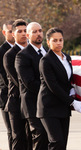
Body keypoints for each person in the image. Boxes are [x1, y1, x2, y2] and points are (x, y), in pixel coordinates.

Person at [37, 27, 81, 150]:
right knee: (56, 142)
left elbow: (67, 80)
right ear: (48, 42)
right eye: (55, 40)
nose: (58, 43)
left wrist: (73, 90)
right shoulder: (45, 61)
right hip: (48, 107)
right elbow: (53, 86)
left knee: (63, 143)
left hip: (62, 107)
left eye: (60, 40)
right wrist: (72, 102)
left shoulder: (67, 58)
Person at [15, 22, 48, 150]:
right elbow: (29, 83)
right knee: (40, 136)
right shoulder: (22, 56)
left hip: (49, 104)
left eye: (40, 31)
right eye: (34, 32)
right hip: (32, 105)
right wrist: (52, 89)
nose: (38, 34)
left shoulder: (48, 52)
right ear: (28, 35)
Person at [3, 19, 32, 150]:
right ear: (13, 34)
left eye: (25, 31)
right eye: (19, 31)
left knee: (32, 139)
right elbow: (18, 80)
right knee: (19, 140)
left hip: (31, 103)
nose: (23, 34)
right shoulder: (9, 55)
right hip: (16, 103)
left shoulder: (34, 52)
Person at [0, 20, 15, 150]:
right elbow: (3, 78)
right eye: (10, 31)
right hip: (6, 97)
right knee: (12, 132)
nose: (13, 34)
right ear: (4, 33)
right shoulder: (1, 51)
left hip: (21, 97)